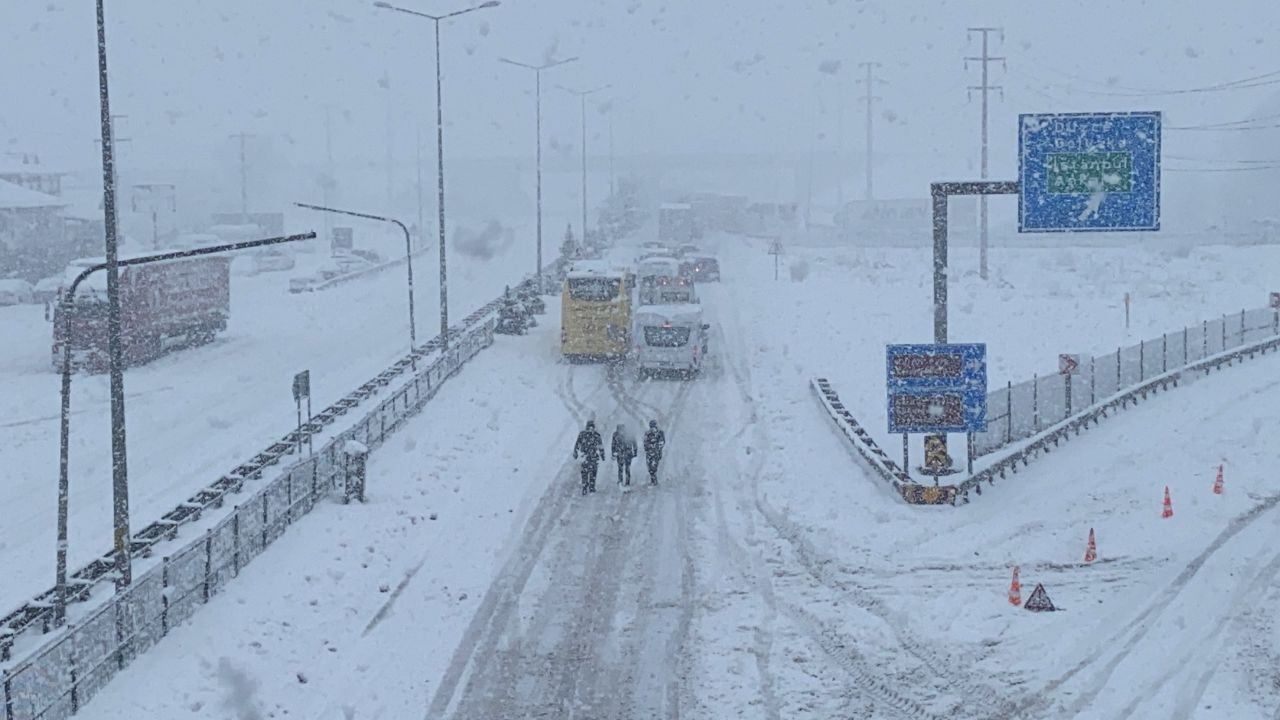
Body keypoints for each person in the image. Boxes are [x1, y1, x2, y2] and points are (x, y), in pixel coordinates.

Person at [573, 420, 605, 495]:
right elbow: (600, 446)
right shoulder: (596, 435)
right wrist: (602, 455)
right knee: (592, 472)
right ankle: (591, 486)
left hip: (585, 456)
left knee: (585, 472)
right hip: (592, 456)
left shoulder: (582, 434)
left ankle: (585, 486)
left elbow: (577, 444)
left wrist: (576, 452)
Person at [611, 423, 638, 487]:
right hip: (619, 453)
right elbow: (613, 444)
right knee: (620, 468)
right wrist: (613, 453)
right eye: (619, 430)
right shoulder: (615, 435)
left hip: (628, 453)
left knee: (627, 468)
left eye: (621, 429)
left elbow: (634, 443)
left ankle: (627, 482)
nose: (620, 431)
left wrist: (635, 451)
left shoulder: (629, 434)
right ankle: (620, 481)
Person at [643, 419, 666, 485]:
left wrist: (656, 447)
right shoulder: (647, 433)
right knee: (649, 467)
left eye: (654, 427)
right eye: (651, 427)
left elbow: (662, 442)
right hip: (649, 453)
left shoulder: (660, 433)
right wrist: (649, 448)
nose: (653, 428)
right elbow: (645, 443)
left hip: (657, 453)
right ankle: (653, 479)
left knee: (654, 467)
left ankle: (654, 481)